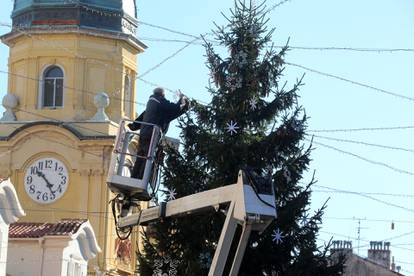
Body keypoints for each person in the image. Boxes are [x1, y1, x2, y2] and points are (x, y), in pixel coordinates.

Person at [128, 87, 189, 179]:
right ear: (162, 95)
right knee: (147, 157)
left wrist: (134, 125)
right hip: (152, 134)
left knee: (140, 157)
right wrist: (182, 98)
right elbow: (175, 108)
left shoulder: (151, 104)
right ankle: (141, 178)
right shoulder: (160, 101)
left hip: (144, 133)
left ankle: (134, 177)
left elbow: (142, 116)